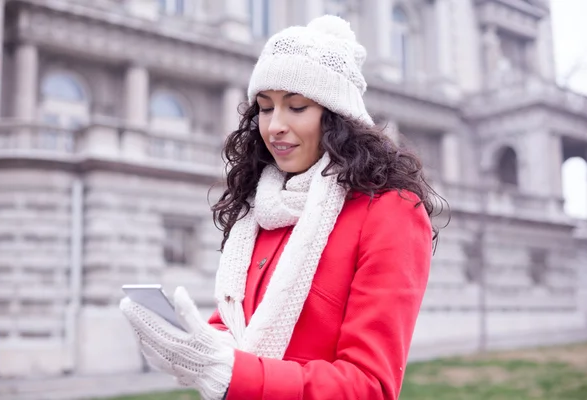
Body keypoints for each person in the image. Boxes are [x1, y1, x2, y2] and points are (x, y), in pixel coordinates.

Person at [120, 14, 444, 400]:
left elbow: (369, 386)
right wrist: (186, 342)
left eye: (296, 107)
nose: (274, 125)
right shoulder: (260, 205)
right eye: (265, 107)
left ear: (335, 116)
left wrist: (229, 373)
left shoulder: (390, 211)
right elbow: (234, 328)